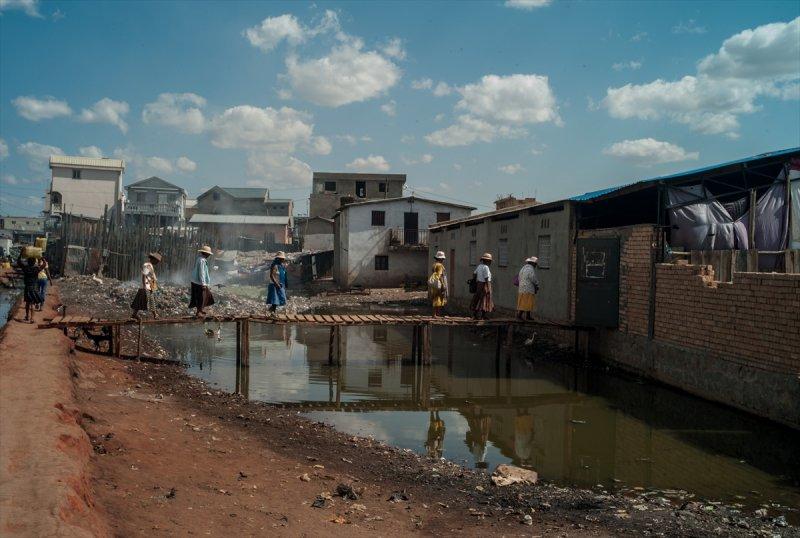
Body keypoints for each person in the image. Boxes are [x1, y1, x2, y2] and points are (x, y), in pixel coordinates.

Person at [131, 252, 162, 319]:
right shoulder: (147, 265)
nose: (157, 263)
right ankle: (155, 315)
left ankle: (134, 314)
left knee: (141, 300)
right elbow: (144, 275)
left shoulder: (150, 265)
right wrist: (145, 286)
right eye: (157, 261)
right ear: (154, 259)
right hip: (147, 286)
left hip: (149, 286)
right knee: (150, 300)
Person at [15, 253, 44, 323]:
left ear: (28, 262)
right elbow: (44, 265)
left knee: (28, 303)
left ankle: (27, 317)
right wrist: (42, 258)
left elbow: (19, 262)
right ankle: (32, 318)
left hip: (27, 288)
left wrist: (20, 254)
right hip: (34, 288)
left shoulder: (25, 268)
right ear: (34, 262)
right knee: (32, 304)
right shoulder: (36, 269)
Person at [189, 245, 215, 318]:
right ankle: (198, 312)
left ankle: (200, 310)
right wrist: (203, 283)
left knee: (205, 295)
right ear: (206, 253)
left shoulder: (200, 259)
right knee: (201, 297)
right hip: (199, 282)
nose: (209, 255)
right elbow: (202, 272)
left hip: (196, 281)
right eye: (209, 253)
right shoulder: (202, 260)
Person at [470, 252, 494, 319]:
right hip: (484, 285)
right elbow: (486, 278)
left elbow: (474, 274)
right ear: (487, 261)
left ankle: (475, 315)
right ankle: (483, 316)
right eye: (490, 261)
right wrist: (489, 288)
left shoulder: (479, 266)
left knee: (478, 299)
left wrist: (476, 280)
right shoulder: (486, 267)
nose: (490, 262)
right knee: (485, 300)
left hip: (479, 284)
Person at [516, 256, 539, 321]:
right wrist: (537, 285)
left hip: (521, 288)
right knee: (528, 303)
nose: (535, 265)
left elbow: (519, 277)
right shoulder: (531, 269)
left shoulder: (523, 268)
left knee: (523, 302)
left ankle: (527, 316)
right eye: (535, 264)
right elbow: (533, 279)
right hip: (528, 288)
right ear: (533, 263)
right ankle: (520, 315)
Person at [428, 251, 448, 317]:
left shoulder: (434, 264)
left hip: (435, 283)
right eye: (442, 258)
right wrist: (442, 284)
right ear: (440, 258)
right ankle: (437, 314)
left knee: (435, 297)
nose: (443, 260)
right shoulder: (439, 265)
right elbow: (440, 275)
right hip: (439, 283)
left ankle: (434, 314)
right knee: (439, 298)